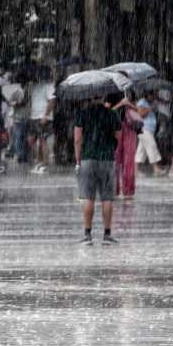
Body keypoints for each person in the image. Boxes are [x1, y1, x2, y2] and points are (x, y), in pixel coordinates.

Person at [74, 93, 123, 244]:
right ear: (103, 97)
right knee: (107, 198)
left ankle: (87, 234)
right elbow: (118, 136)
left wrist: (78, 159)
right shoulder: (113, 114)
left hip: (88, 159)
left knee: (89, 198)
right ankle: (107, 234)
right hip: (107, 159)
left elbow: (77, 139)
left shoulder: (82, 114)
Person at [108, 92, 138, 199]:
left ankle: (127, 190)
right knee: (114, 158)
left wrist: (130, 105)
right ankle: (113, 189)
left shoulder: (131, 92)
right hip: (115, 127)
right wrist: (120, 104)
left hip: (130, 126)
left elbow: (137, 109)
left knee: (129, 159)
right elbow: (107, 111)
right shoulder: (111, 93)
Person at [26, 78, 56, 174]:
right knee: (30, 138)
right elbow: (29, 99)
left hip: (43, 116)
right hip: (33, 116)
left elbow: (52, 100)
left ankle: (44, 164)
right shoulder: (32, 86)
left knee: (42, 139)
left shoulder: (47, 85)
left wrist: (46, 115)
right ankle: (39, 161)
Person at [134, 91, 164, 176]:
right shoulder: (142, 102)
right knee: (152, 146)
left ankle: (135, 170)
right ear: (149, 94)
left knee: (141, 150)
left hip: (150, 129)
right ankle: (156, 168)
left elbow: (155, 113)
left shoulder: (152, 102)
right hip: (143, 129)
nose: (155, 97)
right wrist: (150, 108)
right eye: (154, 95)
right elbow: (140, 114)